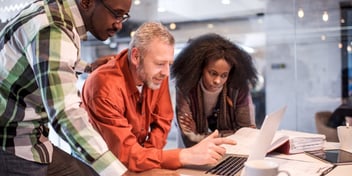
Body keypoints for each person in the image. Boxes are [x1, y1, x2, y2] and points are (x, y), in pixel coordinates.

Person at [0, 0, 178, 175]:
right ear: (86, 2)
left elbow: (46, 59)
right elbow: (66, 115)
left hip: (33, 138)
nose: (119, 25)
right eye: (116, 14)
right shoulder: (54, 29)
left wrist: (86, 67)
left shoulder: (53, 12)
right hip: (13, 142)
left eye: (123, 17)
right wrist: (121, 174)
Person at [81, 22, 236, 172]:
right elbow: (125, 154)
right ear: (136, 57)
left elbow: (163, 119)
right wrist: (184, 155)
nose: (166, 73)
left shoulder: (156, 74)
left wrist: (146, 158)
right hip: (102, 169)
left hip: (134, 162)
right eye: (160, 63)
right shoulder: (104, 87)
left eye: (169, 64)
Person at [171, 33, 258, 147]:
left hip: (231, 152)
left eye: (224, 75)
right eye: (212, 73)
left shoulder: (238, 87)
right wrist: (234, 133)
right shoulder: (186, 87)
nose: (217, 81)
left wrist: (202, 135)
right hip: (194, 154)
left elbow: (248, 133)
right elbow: (190, 139)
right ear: (200, 69)